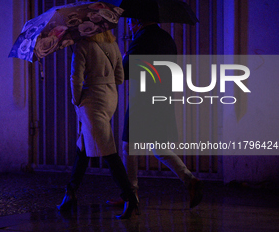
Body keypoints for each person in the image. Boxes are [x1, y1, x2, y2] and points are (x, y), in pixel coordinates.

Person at [107, 18, 203, 208]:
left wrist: (125, 55)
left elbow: (124, 72)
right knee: (159, 148)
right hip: (161, 99)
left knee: (128, 148)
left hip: (141, 101)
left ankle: (131, 194)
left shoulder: (142, 39)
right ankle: (189, 179)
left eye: (130, 21)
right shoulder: (167, 39)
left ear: (138, 21)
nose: (128, 24)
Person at [57, 30, 140, 219]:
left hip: (92, 101)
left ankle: (130, 197)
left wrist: (76, 100)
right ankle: (70, 192)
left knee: (108, 150)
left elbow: (75, 77)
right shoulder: (113, 45)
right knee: (84, 147)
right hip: (110, 98)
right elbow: (119, 78)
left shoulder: (82, 46)